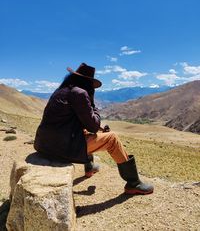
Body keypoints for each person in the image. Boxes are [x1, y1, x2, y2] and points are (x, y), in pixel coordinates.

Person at [34, 63, 153, 195]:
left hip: (43, 145)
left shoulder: (61, 91)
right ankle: (133, 183)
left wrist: (94, 123)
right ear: (87, 82)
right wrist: (93, 105)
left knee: (84, 131)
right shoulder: (80, 93)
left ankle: (89, 167)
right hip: (62, 148)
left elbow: (75, 120)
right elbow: (93, 125)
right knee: (112, 139)